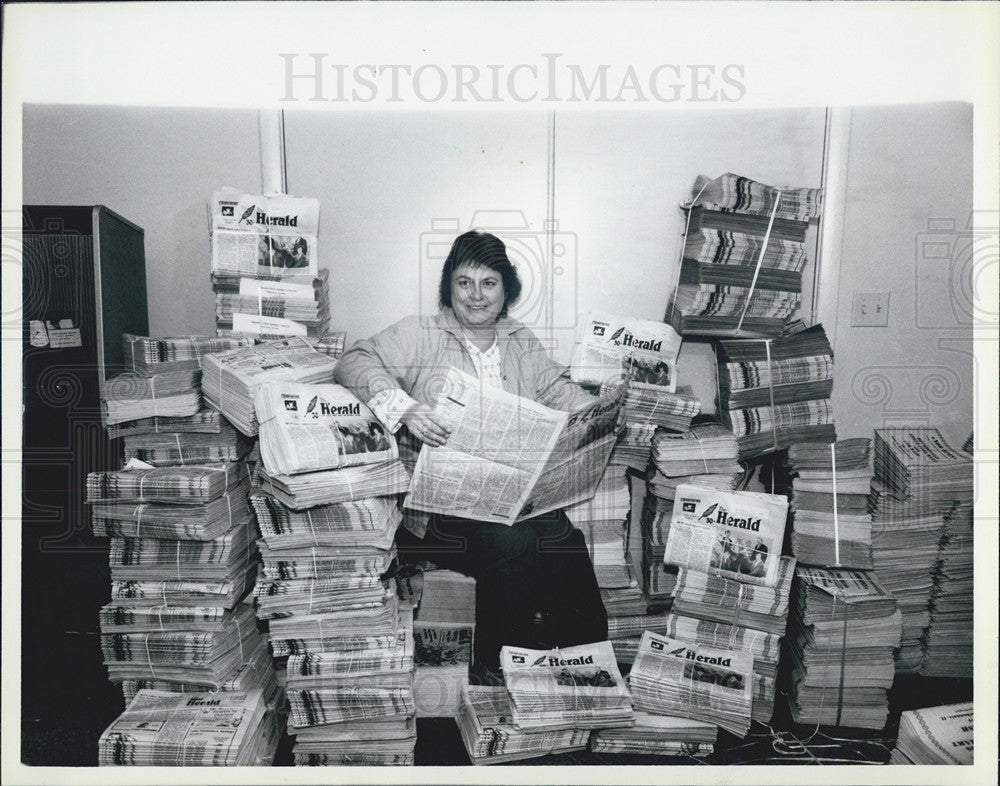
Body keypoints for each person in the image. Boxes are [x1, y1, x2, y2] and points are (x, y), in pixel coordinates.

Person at [334, 230, 609, 681]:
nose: (476, 296)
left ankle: (590, 662)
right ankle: (496, 666)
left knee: (563, 538)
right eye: (464, 283)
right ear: (449, 287)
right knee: (513, 544)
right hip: (435, 513)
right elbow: (354, 360)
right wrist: (405, 408)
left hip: (505, 495)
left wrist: (593, 411)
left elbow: (554, 388)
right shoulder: (419, 333)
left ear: (506, 289)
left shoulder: (518, 339)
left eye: (489, 283)